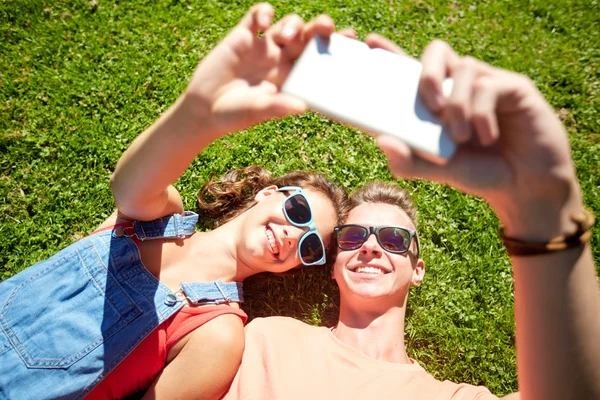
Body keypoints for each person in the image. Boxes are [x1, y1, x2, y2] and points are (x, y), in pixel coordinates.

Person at [221, 34, 600, 400]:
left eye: (393, 240)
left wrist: (544, 208)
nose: (370, 246)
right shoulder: (266, 338)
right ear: (333, 265)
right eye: (352, 237)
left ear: (418, 269)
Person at [0, 5, 349, 400]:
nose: (292, 234)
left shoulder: (218, 333)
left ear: (292, 267)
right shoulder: (159, 216)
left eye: (309, 245)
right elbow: (128, 185)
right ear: (269, 193)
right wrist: (197, 114)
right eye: (298, 211)